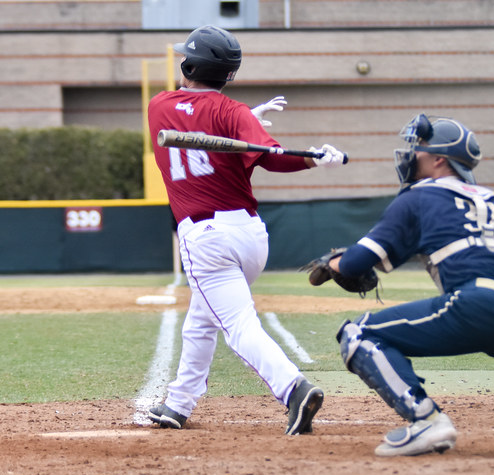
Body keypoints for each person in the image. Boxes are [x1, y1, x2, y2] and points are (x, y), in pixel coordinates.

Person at [325, 114, 494, 457]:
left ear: (440, 159)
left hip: (481, 304)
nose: (413, 154)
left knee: (358, 334)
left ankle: (426, 420)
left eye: (421, 148)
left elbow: (353, 264)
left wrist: (332, 263)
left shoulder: (416, 197)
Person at [146, 25, 346, 434]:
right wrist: (312, 159)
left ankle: (293, 388)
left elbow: (195, 119)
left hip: (206, 239)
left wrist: (242, 121)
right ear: (229, 74)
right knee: (201, 320)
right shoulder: (233, 113)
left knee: (238, 324)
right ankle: (179, 404)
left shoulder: (159, 105)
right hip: (250, 236)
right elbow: (270, 157)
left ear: (189, 66)